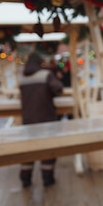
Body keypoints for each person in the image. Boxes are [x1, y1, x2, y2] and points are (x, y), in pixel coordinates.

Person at [18, 52, 64, 187]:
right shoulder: (45, 75)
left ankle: (25, 178)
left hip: (27, 119)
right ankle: (47, 178)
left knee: (28, 149)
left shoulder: (22, 78)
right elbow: (58, 88)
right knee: (47, 147)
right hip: (46, 117)